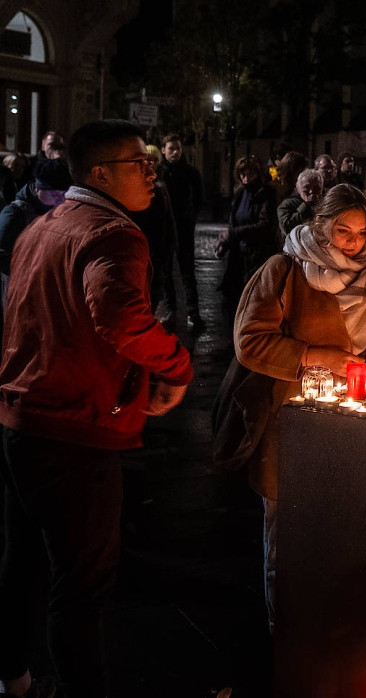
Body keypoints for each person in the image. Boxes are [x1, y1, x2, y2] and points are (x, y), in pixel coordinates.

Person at [0, 119, 193, 698]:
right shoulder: (112, 233)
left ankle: (13, 676)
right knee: (82, 584)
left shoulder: (43, 225)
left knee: (24, 561)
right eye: (142, 164)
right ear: (102, 173)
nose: (153, 174)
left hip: (22, 417)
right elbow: (118, 317)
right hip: (75, 427)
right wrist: (176, 364)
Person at [225, 183, 366, 633]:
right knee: (286, 536)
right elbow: (250, 342)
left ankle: (325, 631)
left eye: (361, 233)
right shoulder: (284, 269)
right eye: (342, 231)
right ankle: (285, 636)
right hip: (288, 423)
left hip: (346, 426)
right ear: (319, 225)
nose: (353, 243)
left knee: (336, 530)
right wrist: (316, 357)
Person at [0, 158, 72, 336]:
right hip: (16, 289)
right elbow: (2, 255)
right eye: (54, 194)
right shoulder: (15, 213)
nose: (59, 199)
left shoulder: (60, 211)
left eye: (63, 194)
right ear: (38, 188)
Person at [219, 155, 279, 330]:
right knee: (231, 296)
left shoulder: (266, 193)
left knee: (252, 296)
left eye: (249, 174)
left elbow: (264, 225)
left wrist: (233, 233)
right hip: (239, 253)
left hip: (258, 253)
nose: (245, 178)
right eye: (242, 174)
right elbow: (234, 219)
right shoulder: (240, 192)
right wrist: (227, 240)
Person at [157, 133, 204, 329]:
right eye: (171, 149)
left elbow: (199, 198)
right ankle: (171, 311)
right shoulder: (158, 173)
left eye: (178, 148)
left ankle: (193, 312)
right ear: (163, 150)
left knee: (187, 271)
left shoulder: (190, 173)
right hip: (164, 228)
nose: (176, 152)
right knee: (166, 271)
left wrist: (190, 216)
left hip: (184, 227)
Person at [128, 145, 178, 321]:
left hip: (154, 249)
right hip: (139, 247)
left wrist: (169, 246)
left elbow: (167, 221)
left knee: (154, 288)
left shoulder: (159, 190)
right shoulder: (132, 190)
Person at [277, 168, 325, 237]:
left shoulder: (325, 203)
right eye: (307, 187)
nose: (311, 191)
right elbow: (286, 227)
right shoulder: (286, 205)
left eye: (316, 188)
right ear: (298, 188)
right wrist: (305, 205)